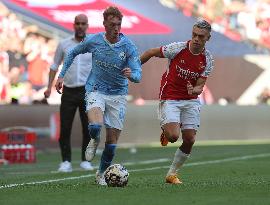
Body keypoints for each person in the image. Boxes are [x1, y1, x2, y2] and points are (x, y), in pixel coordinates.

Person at [55, 7, 142, 184]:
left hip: (118, 95)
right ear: (104, 24)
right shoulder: (94, 40)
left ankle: (101, 174)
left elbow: (138, 74)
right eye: (112, 25)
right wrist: (61, 75)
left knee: (111, 143)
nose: (116, 28)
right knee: (95, 126)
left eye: (118, 24)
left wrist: (131, 74)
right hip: (96, 89)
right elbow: (72, 52)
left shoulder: (128, 46)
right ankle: (94, 139)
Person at [140, 18, 214, 184]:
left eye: (201, 36)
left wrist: (193, 90)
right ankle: (167, 129)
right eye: (194, 35)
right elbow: (152, 52)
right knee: (173, 136)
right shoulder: (178, 48)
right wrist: (136, 66)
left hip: (190, 100)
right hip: (170, 96)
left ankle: (171, 174)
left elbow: (200, 86)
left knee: (190, 139)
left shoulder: (207, 59)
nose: (196, 39)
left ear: (208, 38)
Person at [44, 14, 94, 172]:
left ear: (87, 25)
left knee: (89, 127)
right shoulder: (64, 44)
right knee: (65, 127)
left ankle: (86, 160)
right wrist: (48, 87)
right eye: (77, 23)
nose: (80, 26)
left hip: (87, 91)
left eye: (83, 23)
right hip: (69, 91)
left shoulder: (93, 44)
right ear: (74, 25)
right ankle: (65, 161)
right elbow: (54, 65)